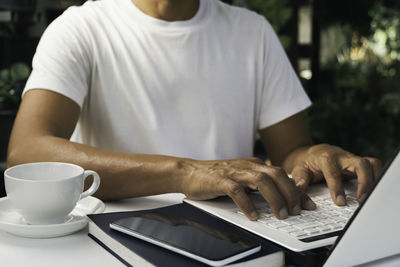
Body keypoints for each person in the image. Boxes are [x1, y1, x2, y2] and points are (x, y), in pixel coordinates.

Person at [7, 0, 381, 221]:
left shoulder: (252, 31)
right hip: (114, 243)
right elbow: (28, 151)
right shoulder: (81, 28)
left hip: (243, 241)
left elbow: (291, 153)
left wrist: (316, 157)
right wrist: (186, 173)